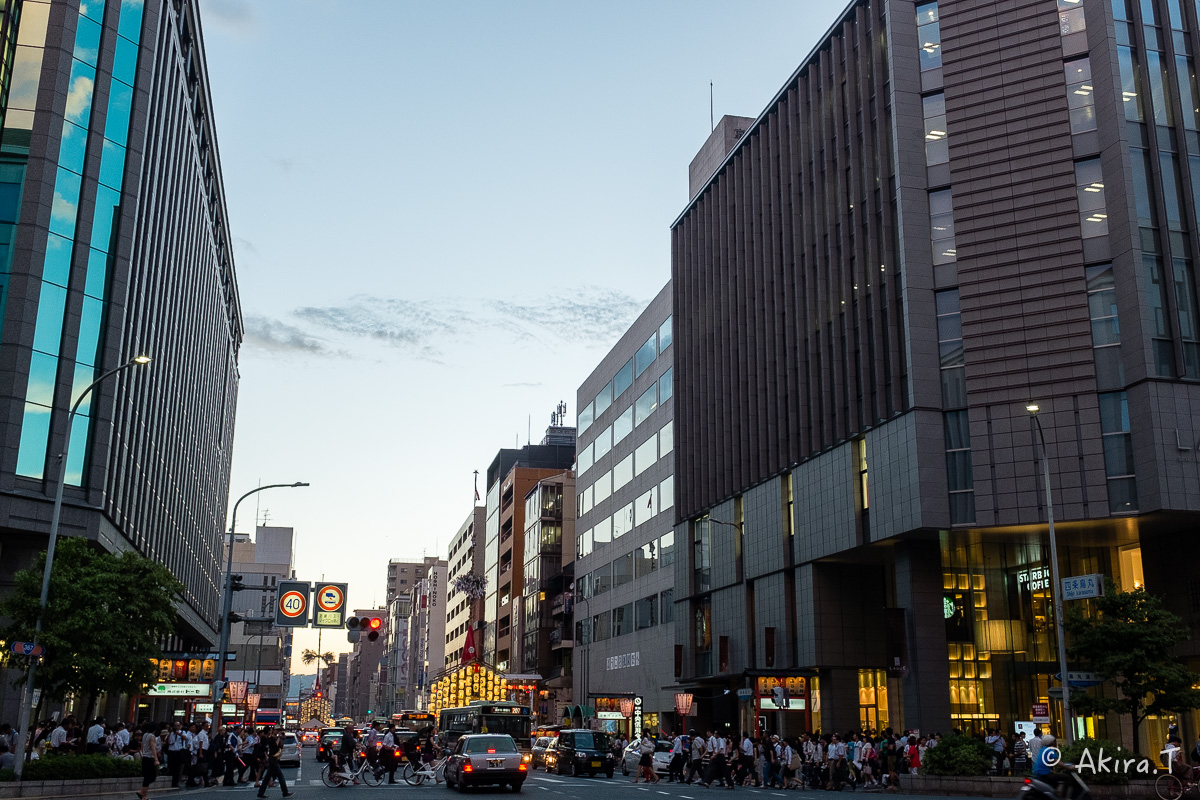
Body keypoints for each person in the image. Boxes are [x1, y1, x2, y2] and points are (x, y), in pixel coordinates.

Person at [257, 729, 291, 798]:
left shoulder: (274, 738)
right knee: (280, 775)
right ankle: (285, 792)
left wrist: (282, 739)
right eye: (277, 730)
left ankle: (260, 793)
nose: (278, 732)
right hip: (272, 759)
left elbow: (280, 746)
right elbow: (275, 746)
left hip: (274, 758)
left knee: (267, 777)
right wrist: (279, 738)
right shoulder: (270, 739)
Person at [137, 723, 160, 800]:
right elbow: (153, 748)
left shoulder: (145, 735)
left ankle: (144, 796)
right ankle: (142, 791)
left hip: (144, 757)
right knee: (152, 776)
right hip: (150, 758)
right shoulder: (152, 736)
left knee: (147, 776)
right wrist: (156, 759)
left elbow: (142, 745)